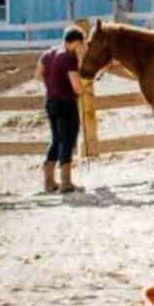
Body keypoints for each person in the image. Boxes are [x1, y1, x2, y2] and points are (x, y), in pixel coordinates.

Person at [35, 26, 87, 194]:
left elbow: (38, 74)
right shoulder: (69, 57)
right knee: (68, 140)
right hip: (66, 103)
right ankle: (66, 183)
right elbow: (76, 85)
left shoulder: (48, 53)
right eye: (82, 44)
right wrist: (82, 89)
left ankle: (49, 182)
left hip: (50, 102)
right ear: (77, 42)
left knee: (56, 140)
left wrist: (51, 87)